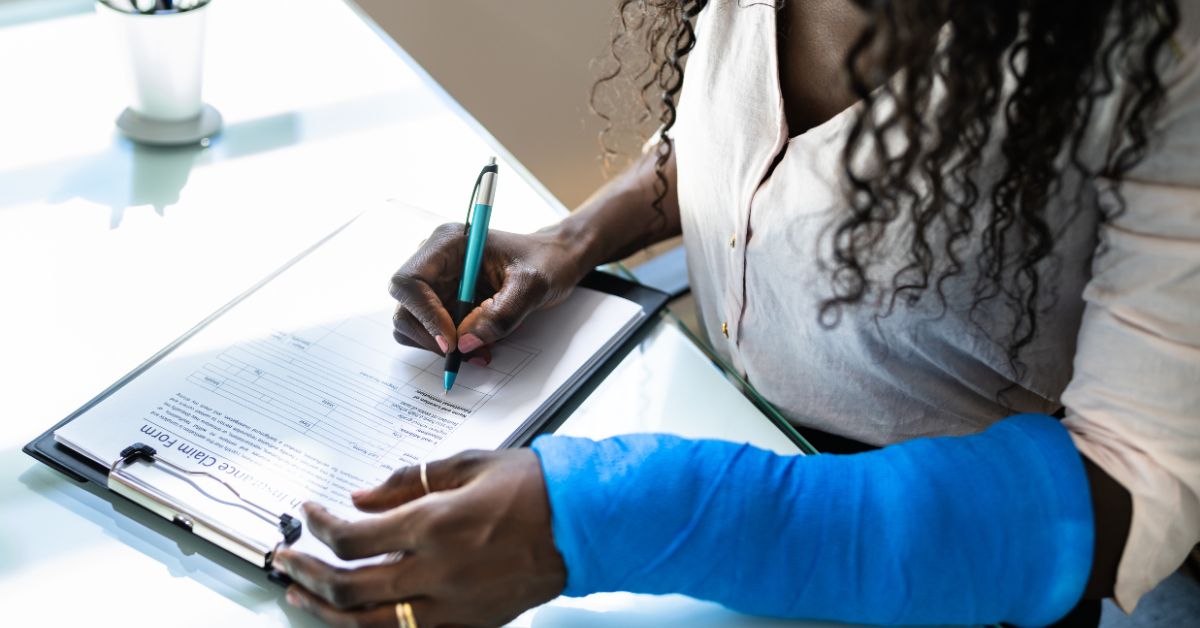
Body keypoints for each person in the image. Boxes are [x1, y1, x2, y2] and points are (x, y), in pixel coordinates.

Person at [272, 1, 1199, 626]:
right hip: (728, 434)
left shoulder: (1167, 50)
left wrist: (633, 509)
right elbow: (752, 154)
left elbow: (1133, 485)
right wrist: (575, 238)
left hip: (979, 576)